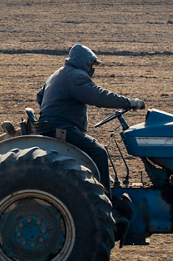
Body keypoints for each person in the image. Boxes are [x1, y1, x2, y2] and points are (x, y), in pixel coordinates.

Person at [35, 44, 143, 189]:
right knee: (99, 152)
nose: (92, 70)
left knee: (95, 148)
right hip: (61, 128)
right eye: (91, 65)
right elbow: (98, 96)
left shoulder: (58, 74)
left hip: (52, 125)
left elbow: (39, 96)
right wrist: (128, 102)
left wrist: (57, 109)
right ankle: (106, 199)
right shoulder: (75, 76)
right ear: (84, 62)